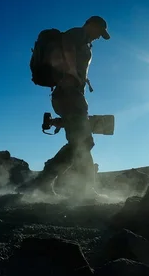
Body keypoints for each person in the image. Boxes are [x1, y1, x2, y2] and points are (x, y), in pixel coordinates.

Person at [19, 16, 110, 198]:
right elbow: (67, 44)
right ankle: (80, 189)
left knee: (80, 141)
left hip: (69, 95)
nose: (99, 37)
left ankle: (44, 182)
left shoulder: (85, 42)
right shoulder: (78, 33)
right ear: (90, 25)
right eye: (99, 32)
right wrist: (71, 71)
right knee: (84, 141)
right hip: (68, 93)